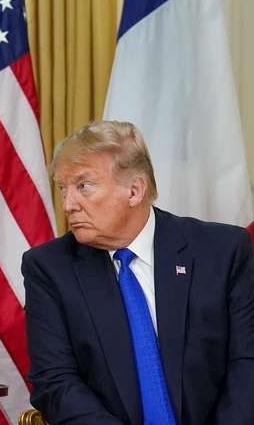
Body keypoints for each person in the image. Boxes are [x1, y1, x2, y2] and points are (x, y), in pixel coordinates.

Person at [22, 120, 254, 425]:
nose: (68, 204)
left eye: (83, 186)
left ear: (134, 190)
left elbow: (246, 366)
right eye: (63, 188)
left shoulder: (222, 252)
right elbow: (55, 382)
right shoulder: (49, 267)